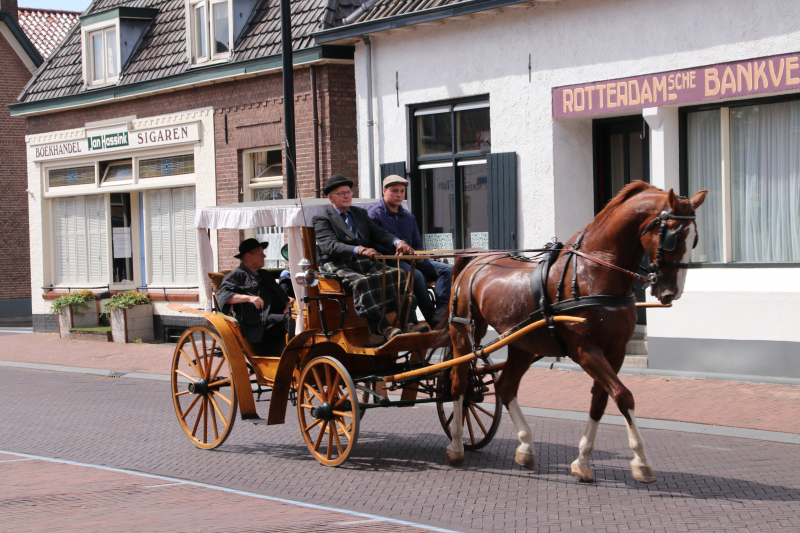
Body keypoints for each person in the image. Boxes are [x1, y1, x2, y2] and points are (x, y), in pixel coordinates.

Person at [313, 174, 429, 342]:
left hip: (365, 262)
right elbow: (328, 246)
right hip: (338, 263)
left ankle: (409, 324)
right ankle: (382, 329)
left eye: (348, 192)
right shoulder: (322, 218)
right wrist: (358, 249)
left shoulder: (359, 213)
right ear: (331, 197)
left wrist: (398, 242)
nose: (346, 196)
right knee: (362, 282)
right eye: (341, 193)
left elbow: (378, 233)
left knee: (399, 274)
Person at [368, 175, 452, 326]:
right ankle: (431, 317)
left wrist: (419, 254)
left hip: (412, 261)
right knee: (417, 276)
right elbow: (373, 244)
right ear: (384, 191)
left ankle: (442, 309)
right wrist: (401, 255)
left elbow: (417, 243)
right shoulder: (374, 215)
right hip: (390, 263)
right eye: (394, 191)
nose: (399, 195)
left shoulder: (409, 217)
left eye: (402, 191)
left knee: (446, 270)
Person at [216, 238, 293, 357]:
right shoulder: (237, 275)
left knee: (305, 318)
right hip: (257, 321)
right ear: (248, 256)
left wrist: (287, 305)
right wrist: (249, 298)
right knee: (292, 321)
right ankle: (288, 356)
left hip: (277, 315)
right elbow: (223, 295)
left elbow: (282, 294)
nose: (264, 255)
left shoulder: (265, 274)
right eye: (260, 253)